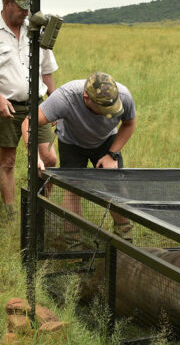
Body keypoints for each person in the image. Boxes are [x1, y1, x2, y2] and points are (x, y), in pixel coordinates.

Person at [0, 0, 58, 216]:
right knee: (8, 162)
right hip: (9, 108)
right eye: (21, 8)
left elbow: (47, 71)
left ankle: (41, 206)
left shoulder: (35, 32)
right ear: (7, 3)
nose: (26, 13)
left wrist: (55, 102)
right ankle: (10, 213)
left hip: (39, 107)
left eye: (28, 8)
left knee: (49, 159)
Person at [23, 72, 136, 241]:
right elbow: (28, 122)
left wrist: (112, 154)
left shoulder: (124, 96)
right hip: (72, 142)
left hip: (106, 141)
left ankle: (125, 239)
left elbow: (129, 124)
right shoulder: (65, 97)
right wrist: (34, 156)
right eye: (103, 108)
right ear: (86, 97)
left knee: (116, 186)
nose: (108, 113)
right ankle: (73, 242)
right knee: (73, 188)